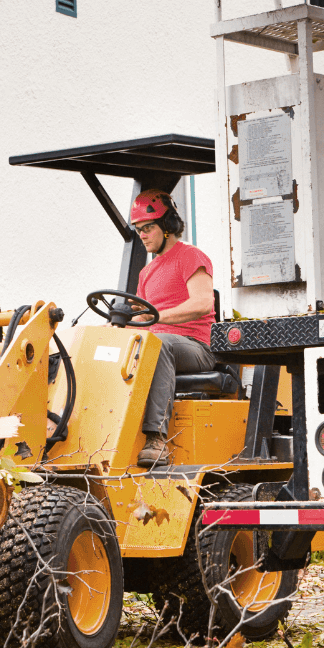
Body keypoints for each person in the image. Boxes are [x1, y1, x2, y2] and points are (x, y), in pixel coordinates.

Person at [129, 189, 217, 468]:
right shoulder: (146, 272)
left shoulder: (190, 256)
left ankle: (156, 438)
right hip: (159, 344)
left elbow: (203, 303)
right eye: (138, 230)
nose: (142, 235)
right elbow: (143, 317)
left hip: (197, 346)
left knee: (159, 344)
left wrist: (155, 319)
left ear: (167, 227)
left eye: (148, 228)